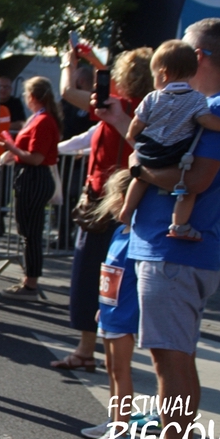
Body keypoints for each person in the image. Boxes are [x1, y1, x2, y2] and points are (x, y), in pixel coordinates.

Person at [105, 18, 220, 439]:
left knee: (171, 364)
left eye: (182, 50)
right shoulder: (213, 105)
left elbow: (198, 179)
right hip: (174, 250)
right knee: (174, 359)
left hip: (176, 252)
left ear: (199, 56)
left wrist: (139, 168)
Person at [51, 46, 152, 372]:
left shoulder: (118, 105)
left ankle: (89, 350)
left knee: (91, 277)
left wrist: (69, 63)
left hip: (105, 201)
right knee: (120, 281)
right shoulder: (148, 108)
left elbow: (68, 92)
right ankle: (108, 355)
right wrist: (96, 63)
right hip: (131, 200)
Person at [119, 40, 220, 239]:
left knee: (140, 178)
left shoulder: (151, 98)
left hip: (150, 150)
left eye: (154, 76)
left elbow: (137, 122)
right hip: (175, 152)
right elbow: (207, 120)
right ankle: (179, 225)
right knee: (185, 190)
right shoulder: (196, 99)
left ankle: (127, 210)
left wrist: (132, 135)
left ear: (163, 74)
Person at [81, 170, 142, 439]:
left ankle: (121, 430)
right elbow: (111, 276)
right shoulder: (119, 232)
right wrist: (101, 307)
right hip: (109, 311)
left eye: (113, 197)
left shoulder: (137, 237)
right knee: (111, 368)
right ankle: (114, 421)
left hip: (124, 314)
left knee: (120, 369)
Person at [0, 77, 61, 301]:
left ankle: (31, 284)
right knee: (28, 232)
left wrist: (12, 148)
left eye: (26, 94)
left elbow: (36, 158)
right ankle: (29, 280)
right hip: (30, 177)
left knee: (31, 233)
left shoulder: (43, 121)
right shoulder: (39, 118)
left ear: (32, 96)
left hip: (34, 177)